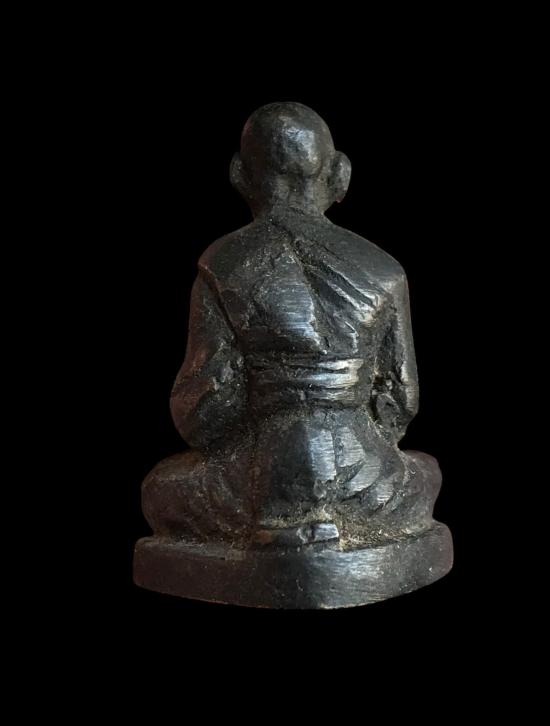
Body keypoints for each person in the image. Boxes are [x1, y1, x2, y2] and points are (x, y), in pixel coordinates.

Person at [142, 102, 441, 546]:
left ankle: (282, 527)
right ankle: (325, 522)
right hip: (363, 482)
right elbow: (401, 402)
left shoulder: (222, 264)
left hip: (256, 483)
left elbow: (200, 413)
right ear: (340, 175)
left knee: (159, 489)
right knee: (426, 471)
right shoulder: (384, 270)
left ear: (239, 175)